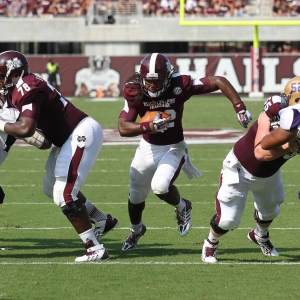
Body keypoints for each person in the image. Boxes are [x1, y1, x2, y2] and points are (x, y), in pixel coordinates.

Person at [118, 52, 253, 251]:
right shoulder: (135, 90)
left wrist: (239, 107)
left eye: (158, 80)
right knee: (135, 195)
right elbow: (123, 127)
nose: (153, 86)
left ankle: (182, 206)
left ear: (167, 76)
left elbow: (219, 81)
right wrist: (149, 127)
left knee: (160, 186)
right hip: (147, 146)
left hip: (173, 147)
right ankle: (136, 230)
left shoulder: (180, 84)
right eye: (149, 81)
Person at [0, 50, 118, 262]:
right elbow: (43, 142)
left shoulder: (27, 87)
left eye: (1, 77)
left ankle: (95, 248)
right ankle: (102, 220)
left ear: (14, 74)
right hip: (65, 139)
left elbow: (26, 128)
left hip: (80, 132)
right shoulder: (18, 88)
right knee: (50, 188)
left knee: (64, 194)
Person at [201, 86, 300, 263]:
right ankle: (211, 242)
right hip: (240, 167)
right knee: (227, 221)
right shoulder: (273, 113)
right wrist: (288, 147)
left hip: (269, 173)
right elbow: (260, 153)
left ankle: (259, 236)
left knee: (270, 211)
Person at [260, 76, 300, 152]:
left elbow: (265, 144)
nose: (286, 100)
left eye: (287, 97)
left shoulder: (294, 113)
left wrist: (276, 128)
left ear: (297, 99)